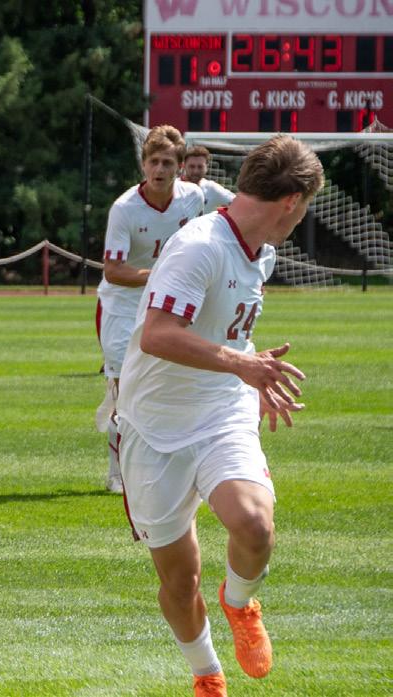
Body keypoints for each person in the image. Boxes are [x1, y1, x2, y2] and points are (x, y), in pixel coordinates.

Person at [118, 135, 322, 697]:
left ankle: (239, 604)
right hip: (153, 428)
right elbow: (159, 335)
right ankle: (207, 673)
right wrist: (242, 364)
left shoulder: (261, 252)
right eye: (304, 207)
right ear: (291, 201)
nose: (300, 218)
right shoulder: (199, 246)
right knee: (179, 582)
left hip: (221, 411)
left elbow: (232, 332)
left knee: (255, 525)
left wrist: (250, 376)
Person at [95, 125, 205, 494]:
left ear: (180, 166)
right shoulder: (125, 208)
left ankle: (177, 468)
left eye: (167, 162)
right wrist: (159, 274)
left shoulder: (194, 198)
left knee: (174, 385)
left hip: (168, 304)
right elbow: (113, 270)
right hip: (122, 307)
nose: (159, 169)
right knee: (124, 393)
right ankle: (117, 474)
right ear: (143, 165)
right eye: (153, 161)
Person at [183, 146, 236, 214]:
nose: (196, 171)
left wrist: (221, 217)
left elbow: (237, 204)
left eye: (200, 167)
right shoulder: (175, 187)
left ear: (207, 167)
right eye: (192, 166)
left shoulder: (211, 188)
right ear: (184, 166)